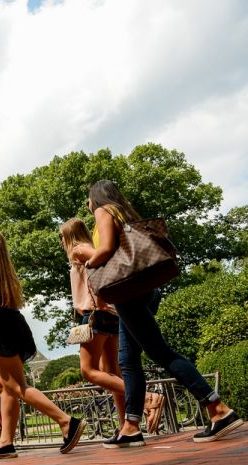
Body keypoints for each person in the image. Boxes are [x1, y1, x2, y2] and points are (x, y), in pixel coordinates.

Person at [77, 179, 244, 448]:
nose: (87, 203)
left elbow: (106, 249)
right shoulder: (123, 211)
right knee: (128, 360)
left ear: (95, 197)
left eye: (88, 198)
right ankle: (131, 426)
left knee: (160, 352)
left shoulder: (103, 210)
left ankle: (217, 408)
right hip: (139, 291)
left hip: (127, 294)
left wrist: (87, 256)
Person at [0, 229, 86, 459]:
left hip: (0, 327)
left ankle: (66, 421)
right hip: (13, 322)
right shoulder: (3, 270)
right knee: (3, 386)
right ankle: (5, 442)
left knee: (15, 386)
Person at [60, 218, 126, 430]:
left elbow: (101, 262)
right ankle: (126, 425)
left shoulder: (79, 250)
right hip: (110, 313)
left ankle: (148, 399)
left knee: (88, 371)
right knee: (112, 373)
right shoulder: (87, 249)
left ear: (69, 236)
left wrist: (96, 298)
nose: (61, 241)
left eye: (61, 237)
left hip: (96, 314)